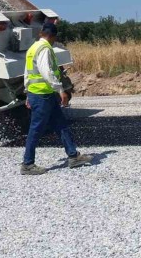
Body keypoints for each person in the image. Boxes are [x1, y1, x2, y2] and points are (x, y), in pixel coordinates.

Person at [20, 22, 92, 175]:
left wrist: (27, 93)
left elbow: (27, 73)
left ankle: (73, 156)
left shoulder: (32, 48)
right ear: (53, 36)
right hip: (42, 95)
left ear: (41, 33)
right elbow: (47, 72)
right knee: (36, 129)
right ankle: (27, 164)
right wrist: (61, 90)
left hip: (40, 94)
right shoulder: (45, 49)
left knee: (60, 125)